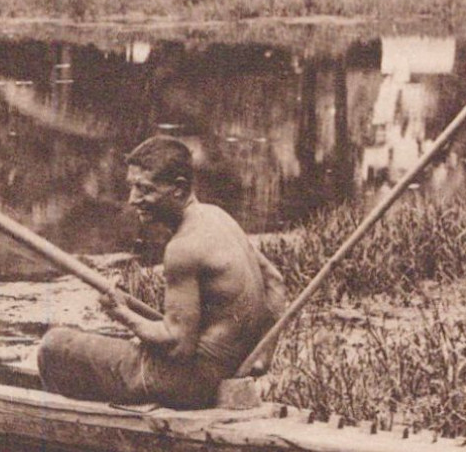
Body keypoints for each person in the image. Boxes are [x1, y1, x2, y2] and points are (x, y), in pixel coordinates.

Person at [37, 136, 287, 408]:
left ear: (179, 189)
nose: (133, 200)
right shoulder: (218, 216)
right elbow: (275, 280)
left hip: (189, 384)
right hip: (226, 371)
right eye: (132, 187)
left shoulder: (182, 248)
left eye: (144, 189)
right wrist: (262, 357)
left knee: (54, 345)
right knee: (96, 350)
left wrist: (121, 314)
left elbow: (178, 345)